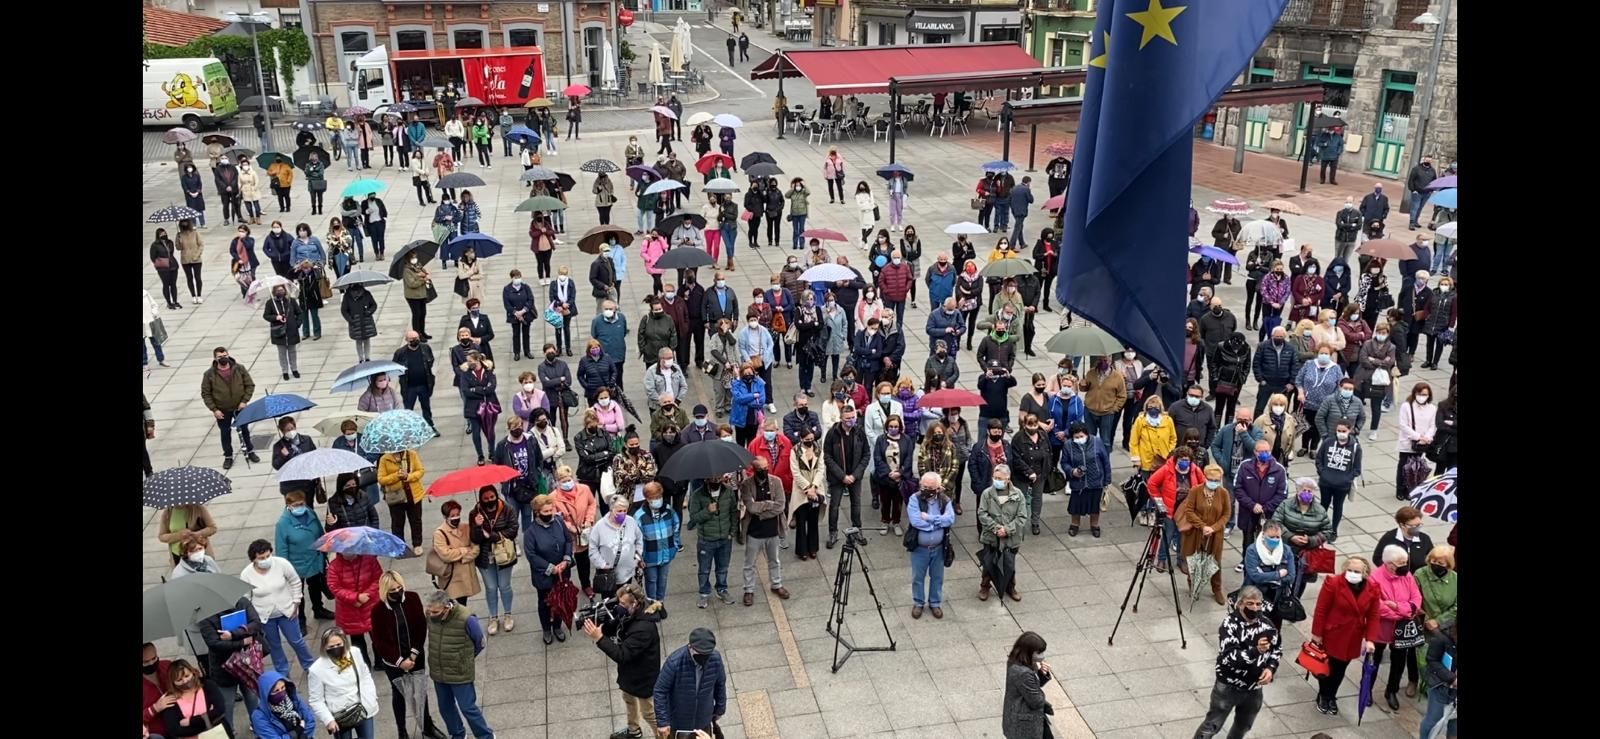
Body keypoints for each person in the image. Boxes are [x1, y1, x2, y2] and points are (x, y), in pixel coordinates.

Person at [1193, 585, 1279, 739]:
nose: (1255, 608)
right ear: (1240, 604)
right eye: (1250, 603)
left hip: (1254, 687)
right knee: (1212, 725)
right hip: (1228, 686)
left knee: (1244, 726)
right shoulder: (1229, 625)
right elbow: (1231, 658)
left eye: (1258, 604)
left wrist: (1270, 668)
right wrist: (1255, 651)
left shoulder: (1267, 624)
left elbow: (1276, 649)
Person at [582, 582, 664, 739]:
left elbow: (622, 654)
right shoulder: (631, 614)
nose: (619, 607)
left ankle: (664, 736)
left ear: (635, 604)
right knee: (629, 700)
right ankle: (634, 730)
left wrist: (599, 638)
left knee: (649, 713)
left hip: (643, 678)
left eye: (622, 604)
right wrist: (602, 626)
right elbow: (618, 626)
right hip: (630, 673)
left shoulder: (643, 629)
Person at [420, 590, 493, 739]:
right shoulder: (430, 615)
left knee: (468, 708)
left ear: (447, 607)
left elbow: (480, 642)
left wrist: (464, 659)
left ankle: (486, 736)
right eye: (430, 611)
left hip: (459, 671)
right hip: (438, 670)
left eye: (436, 611)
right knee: (445, 707)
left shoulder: (466, 618)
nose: (431, 614)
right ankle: (457, 734)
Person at [1370, 544, 1425, 710]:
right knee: (1374, 660)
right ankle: (1367, 690)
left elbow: (1416, 599)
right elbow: (1377, 607)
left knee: (1399, 662)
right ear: (1389, 564)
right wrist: (1403, 610)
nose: (1406, 565)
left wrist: (1398, 607)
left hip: (1402, 629)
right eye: (1401, 562)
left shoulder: (1407, 575)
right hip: (1381, 628)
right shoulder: (1374, 578)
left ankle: (1391, 690)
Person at [654, 627, 727, 738]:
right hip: (679, 721)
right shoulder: (675, 662)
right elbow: (660, 690)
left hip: (703, 720)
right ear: (690, 647)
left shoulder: (715, 659)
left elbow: (720, 684)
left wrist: (720, 708)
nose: (704, 657)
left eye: (707, 654)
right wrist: (663, 721)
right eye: (700, 653)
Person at [904, 472, 956, 619]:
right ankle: (918, 602)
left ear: (938, 487)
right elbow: (916, 522)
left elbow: (950, 519)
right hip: (920, 549)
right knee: (917, 577)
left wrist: (930, 518)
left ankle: (935, 602)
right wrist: (937, 523)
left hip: (939, 548)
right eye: (924, 486)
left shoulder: (944, 500)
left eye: (931, 487)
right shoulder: (915, 499)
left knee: (937, 577)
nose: (927, 489)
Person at [524, 494, 575, 644]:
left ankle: (557, 626)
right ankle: (546, 629)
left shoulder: (559, 522)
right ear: (537, 512)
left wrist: (566, 559)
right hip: (544, 575)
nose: (549, 514)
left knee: (560, 599)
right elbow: (531, 555)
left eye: (550, 510)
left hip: (562, 571)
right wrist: (550, 568)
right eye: (545, 512)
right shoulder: (530, 532)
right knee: (545, 602)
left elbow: (568, 540)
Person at [1233, 439, 1288, 569]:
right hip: (1248, 511)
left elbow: (1282, 493)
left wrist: (1265, 507)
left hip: (1268, 513)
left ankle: (1265, 561)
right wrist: (1252, 505)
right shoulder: (1245, 466)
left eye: (1266, 451)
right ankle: (1246, 560)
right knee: (1247, 537)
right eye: (1260, 451)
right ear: (1254, 452)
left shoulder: (1279, 469)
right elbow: (1237, 488)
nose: (1264, 454)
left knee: (1267, 537)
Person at [978, 465, 1028, 602]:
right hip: (991, 537)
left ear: (1008, 479)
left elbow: (1022, 516)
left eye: (999, 478)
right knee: (988, 563)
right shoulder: (987, 493)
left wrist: (1007, 530)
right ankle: (985, 586)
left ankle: (1010, 587)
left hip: (1011, 539)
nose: (996, 480)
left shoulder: (1018, 494)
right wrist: (995, 528)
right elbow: (982, 513)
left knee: (1009, 564)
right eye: (994, 478)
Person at [1313, 421, 1362, 541]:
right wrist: (1323, 473)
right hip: (1326, 482)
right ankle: (1320, 527)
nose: (1341, 433)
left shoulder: (1355, 447)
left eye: (1344, 431)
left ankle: (1333, 530)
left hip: (1342, 485)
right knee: (1323, 505)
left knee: (1337, 507)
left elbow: (1357, 468)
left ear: (1349, 431)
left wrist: (1347, 478)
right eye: (1339, 431)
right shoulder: (1328, 442)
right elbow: (1319, 459)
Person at [1000, 631, 1054, 739]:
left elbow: (1028, 687)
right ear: (1028, 652)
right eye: (1039, 653)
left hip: (1016, 718)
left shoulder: (1014, 662)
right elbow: (1036, 701)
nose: (1042, 657)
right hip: (1026, 723)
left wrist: (1039, 673)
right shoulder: (1023, 673)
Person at [430, 500, 482, 608]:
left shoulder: (466, 528)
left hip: (466, 576)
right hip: (451, 578)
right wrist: (465, 550)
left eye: (457, 514)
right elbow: (446, 555)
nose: (456, 517)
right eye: (452, 515)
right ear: (445, 516)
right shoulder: (439, 533)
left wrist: (461, 557)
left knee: (463, 604)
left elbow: (476, 549)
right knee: (452, 606)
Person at [158, 658, 227, 739]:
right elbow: (174, 729)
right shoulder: (169, 699)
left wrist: (190, 721)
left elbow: (220, 709)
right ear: (173, 682)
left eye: (187, 676)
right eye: (179, 680)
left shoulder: (207, 686)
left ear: (192, 672)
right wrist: (207, 720)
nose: (185, 681)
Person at [379, 447, 427, 555]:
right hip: (396, 496)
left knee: (416, 521)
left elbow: (420, 471)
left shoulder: (412, 454)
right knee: (397, 522)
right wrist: (396, 476)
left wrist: (408, 476)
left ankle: (417, 544)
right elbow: (381, 479)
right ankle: (399, 546)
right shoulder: (384, 459)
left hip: (413, 494)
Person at [248, 671, 317, 739]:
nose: (281, 692)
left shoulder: (292, 698)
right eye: (276, 691)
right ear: (267, 694)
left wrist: (304, 736)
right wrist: (297, 732)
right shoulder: (259, 716)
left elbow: (310, 720)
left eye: (283, 687)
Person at [1406, 154, 1437, 230]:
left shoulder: (1432, 170)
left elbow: (1434, 181)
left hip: (1427, 193)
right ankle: (1412, 223)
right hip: (1417, 192)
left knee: (1420, 208)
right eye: (1427, 160)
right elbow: (1411, 180)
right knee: (1415, 207)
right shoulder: (1416, 169)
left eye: (1429, 160)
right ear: (1424, 160)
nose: (1428, 161)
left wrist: (1432, 190)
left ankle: (1416, 221)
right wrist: (1413, 190)